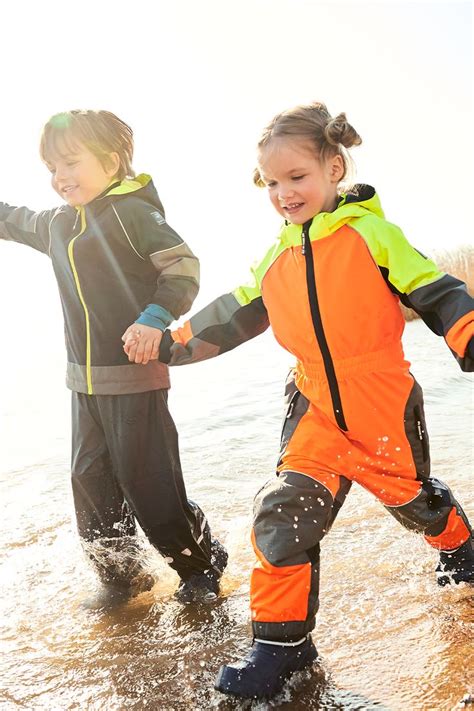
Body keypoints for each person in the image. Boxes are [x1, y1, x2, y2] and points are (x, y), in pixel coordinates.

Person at [130, 101, 474, 699]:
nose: (284, 192)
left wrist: (466, 331)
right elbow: (232, 314)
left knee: (414, 500)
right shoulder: (276, 256)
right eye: (271, 182)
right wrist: (170, 342)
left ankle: (460, 546)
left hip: (380, 402)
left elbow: (434, 290)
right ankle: (281, 645)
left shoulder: (374, 235)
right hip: (312, 405)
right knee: (282, 512)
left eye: (297, 177)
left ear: (334, 168)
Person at [0, 109, 227, 607]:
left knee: (150, 488)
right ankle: (122, 583)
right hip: (82, 387)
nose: (61, 177)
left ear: (110, 160)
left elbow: (183, 268)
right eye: (52, 168)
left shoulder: (133, 215)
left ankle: (202, 567)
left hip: (134, 379)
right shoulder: (58, 224)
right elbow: (10, 218)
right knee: (92, 490)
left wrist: (152, 317)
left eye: (71, 163)